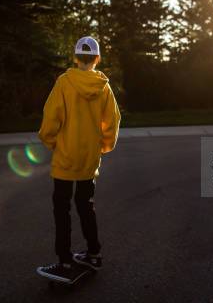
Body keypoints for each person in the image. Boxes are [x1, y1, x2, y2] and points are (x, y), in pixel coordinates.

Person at [36, 36, 121, 283]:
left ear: (75, 57)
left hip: (65, 158)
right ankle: (93, 252)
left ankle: (64, 259)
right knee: (86, 205)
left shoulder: (65, 83)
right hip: (88, 159)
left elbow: (51, 118)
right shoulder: (103, 87)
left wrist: (51, 142)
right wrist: (102, 147)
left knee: (61, 209)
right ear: (97, 58)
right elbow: (113, 122)